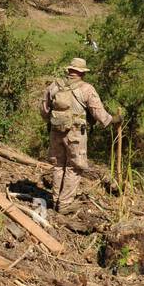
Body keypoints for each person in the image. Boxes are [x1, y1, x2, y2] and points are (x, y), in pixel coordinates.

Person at [41, 58, 113, 212]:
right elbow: (98, 112)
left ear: (69, 71)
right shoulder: (86, 89)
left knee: (58, 165)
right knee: (74, 167)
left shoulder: (54, 86)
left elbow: (44, 111)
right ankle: (65, 203)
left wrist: (54, 122)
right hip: (75, 134)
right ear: (82, 73)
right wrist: (112, 120)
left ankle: (55, 200)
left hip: (55, 132)